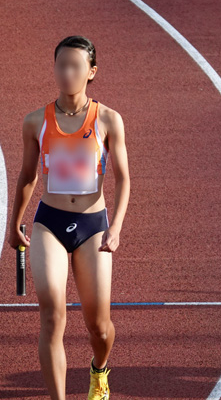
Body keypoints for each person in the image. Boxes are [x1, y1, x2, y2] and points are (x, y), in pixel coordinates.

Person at [8, 35, 130, 400]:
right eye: (61, 65)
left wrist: (117, 227)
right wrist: (14, 223)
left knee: (99, 327)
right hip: (50, 224)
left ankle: (99, 370)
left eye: (76, 66)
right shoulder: (35, 122)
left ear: (91, 72)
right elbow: (28, 176)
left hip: (94, 227)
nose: (67, 73)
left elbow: (124, 179)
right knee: (51, 315)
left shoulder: (108, 119)